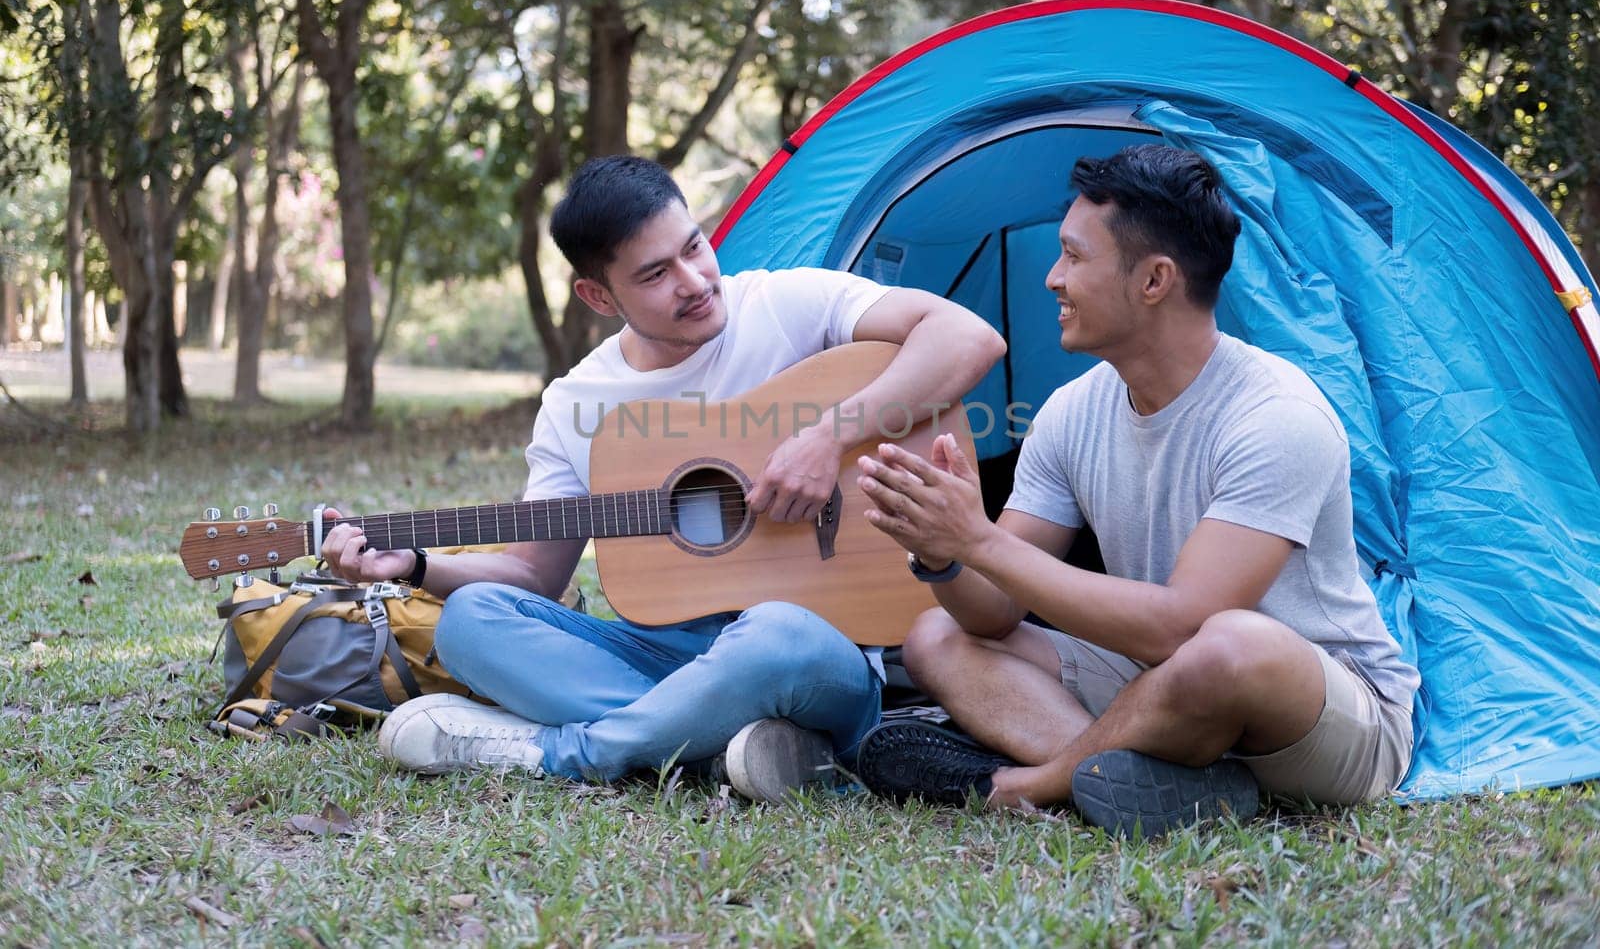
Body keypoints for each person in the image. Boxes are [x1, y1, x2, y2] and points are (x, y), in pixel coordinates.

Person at [315, 155, 1005, 802]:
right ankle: (726, 744)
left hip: (816, 650)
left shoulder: (785, 304)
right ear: (598, 294)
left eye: (695, 246)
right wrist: (415, 562)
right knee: (470, 622)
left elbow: (968, 337)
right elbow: (535, 579)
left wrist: (831, 434)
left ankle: (568, 751)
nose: (696, 280)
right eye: (654, 274)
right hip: (659, 653)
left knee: (772, 633)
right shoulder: (577, 402)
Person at [850, 144, 1419, 836]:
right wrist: (943, 551)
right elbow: (993, 612)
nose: (1054, 278)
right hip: (1164, 684)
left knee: (1233, 644)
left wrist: (980, 539)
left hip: (1325, 712)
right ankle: (1168, 778)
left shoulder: (1276, 414)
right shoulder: (1070, 412)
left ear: (1154, 280)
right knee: (936, 634)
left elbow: (1185, 623)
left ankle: (1028, 783)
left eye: (1074, 257)